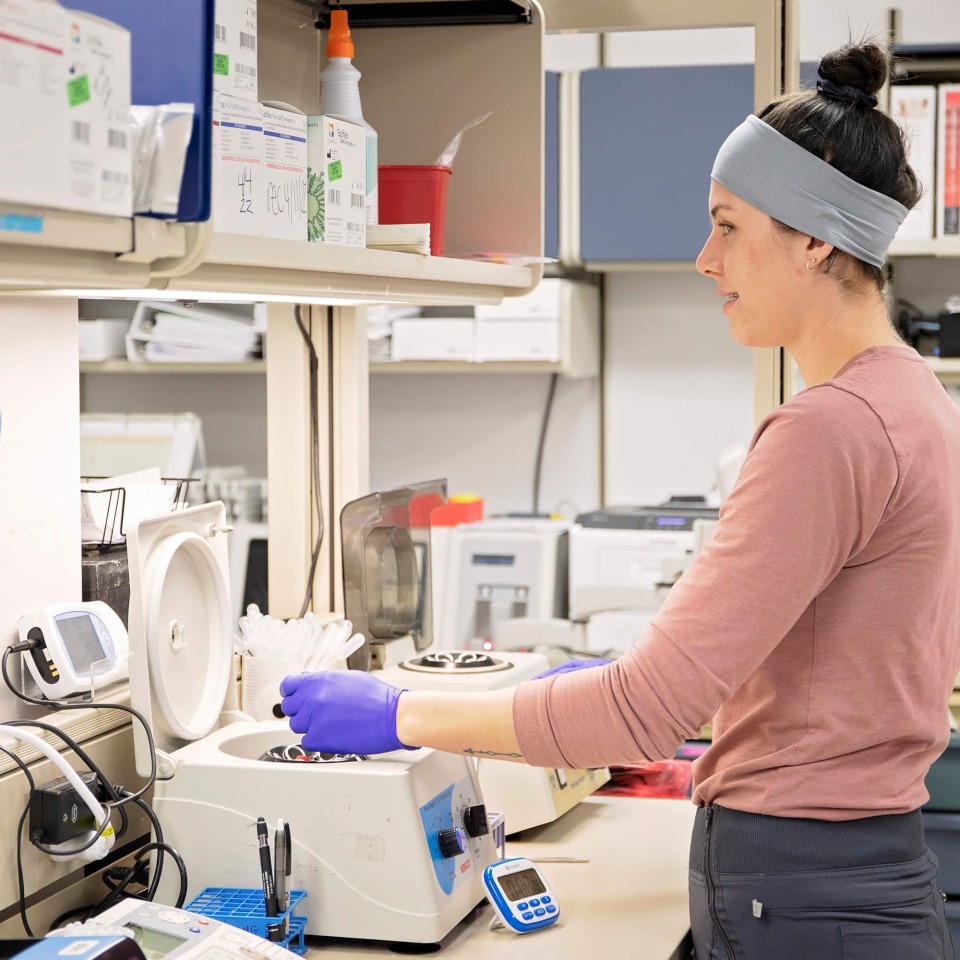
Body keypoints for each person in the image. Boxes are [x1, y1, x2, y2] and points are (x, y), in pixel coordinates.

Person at [279, 38, 960, 960]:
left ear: (811, 241)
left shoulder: (826, 430)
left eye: (727, 226)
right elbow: (844, 658)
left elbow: (643, 712)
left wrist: (393, 711)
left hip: (799, 894)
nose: (703, 258)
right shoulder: (918, 398)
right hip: (860, 871)